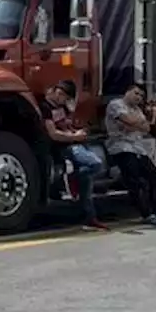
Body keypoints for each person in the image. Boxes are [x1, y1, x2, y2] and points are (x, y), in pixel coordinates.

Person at [105, 84, 156, 227]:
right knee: (136, 181)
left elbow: (145, 128)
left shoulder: (137, 110)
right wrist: (140, 122)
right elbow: (129, 122)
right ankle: (146, 214)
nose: (138, 98)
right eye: (136, 93)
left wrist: (139, 123)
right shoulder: (116, 105)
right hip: (121, 146)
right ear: (128, 92)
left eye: (141, 96)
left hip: (138, 147)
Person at [41, 80, 107, 229]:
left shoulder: (62, 107)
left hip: (73, 142)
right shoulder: (45, 107)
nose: (63, 100)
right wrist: (74, 137)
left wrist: (77, 131)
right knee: (95, 163)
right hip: (64, 147)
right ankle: (74, 177)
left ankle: (89, 217)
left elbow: (66, 125)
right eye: (63, 97)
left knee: (87, 180)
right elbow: (53, 134)